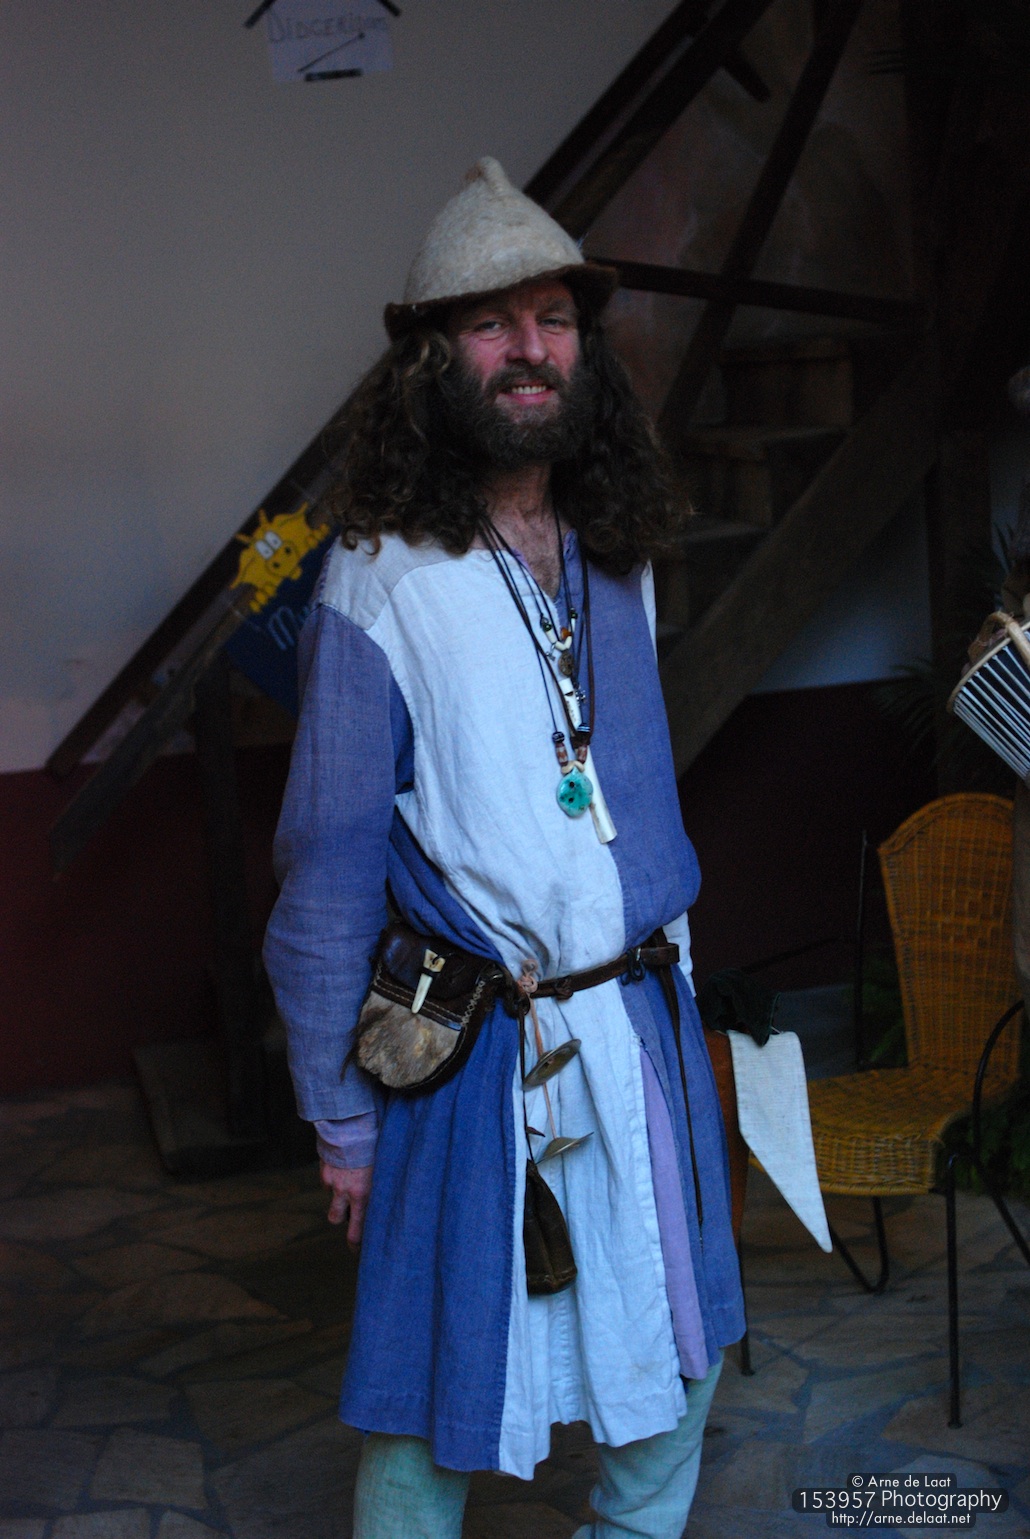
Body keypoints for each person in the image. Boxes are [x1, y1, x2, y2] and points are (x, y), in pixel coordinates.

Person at [264, 157, 745, 1539]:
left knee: (685, 1345)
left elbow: (631, 801)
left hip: (637, 1023)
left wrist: (681, 996)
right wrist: (340, 1117)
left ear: (584, 348)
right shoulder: (378, 579)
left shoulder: (614, 546)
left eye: (553, 318)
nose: (529, 348)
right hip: (475, 1047)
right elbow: (328, 871)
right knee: (437, 1389)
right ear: (433, 358)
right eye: (490, 322)